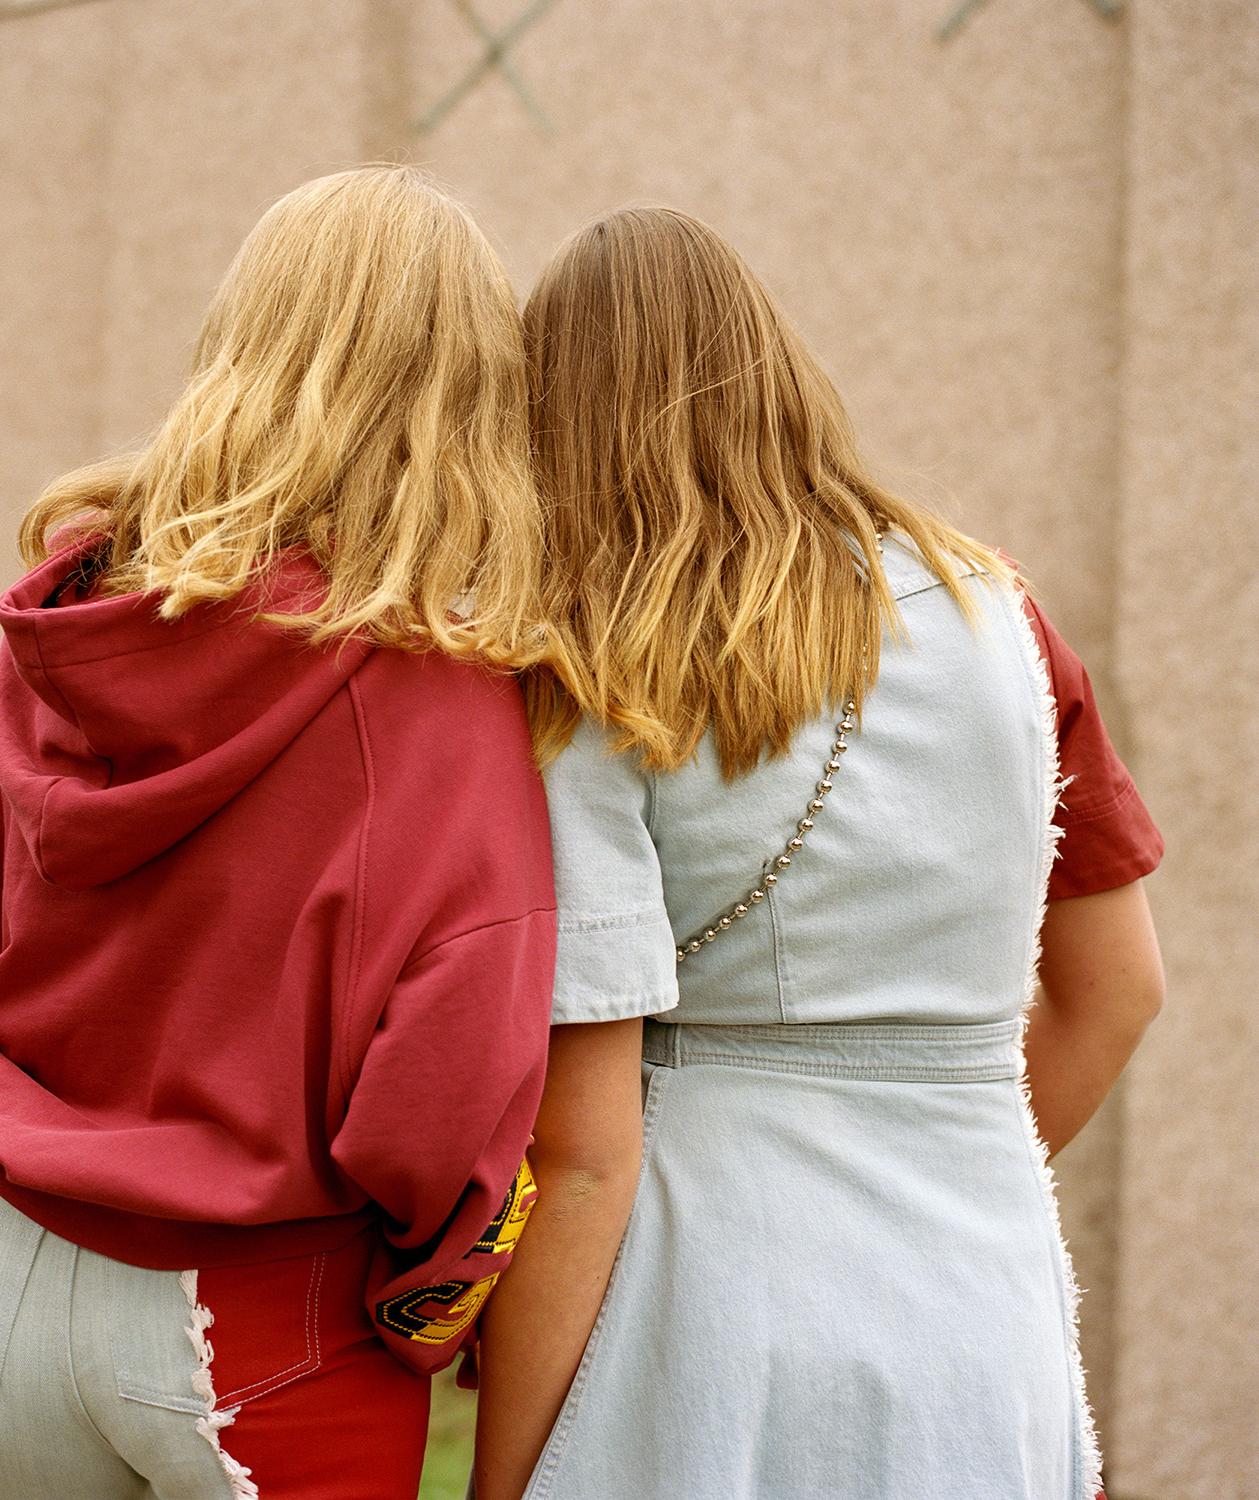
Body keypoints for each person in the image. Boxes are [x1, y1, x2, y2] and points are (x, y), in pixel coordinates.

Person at [471, 207, 1165, 1500]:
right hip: (984, 1305)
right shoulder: (1001, 616)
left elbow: (583, 1158)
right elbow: (1119, 991)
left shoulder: (591, 671)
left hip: (699, 1316)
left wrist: (505, 1480)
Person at [0, 166, 557, 1500]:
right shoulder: (441, 698)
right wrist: (437, 1295)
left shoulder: (69, 625)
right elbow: (445, 1087)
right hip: (263, 1314)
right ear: (470, 396)